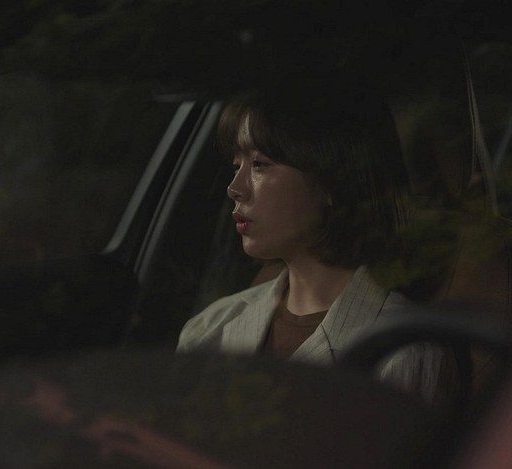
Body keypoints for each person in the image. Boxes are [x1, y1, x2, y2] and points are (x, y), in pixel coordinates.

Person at [176, 78, 452, 405]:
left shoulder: (400, 352)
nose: (235, 188)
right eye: (237, 166)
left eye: (260, 165)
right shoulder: (210, 328)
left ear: (331, 179)